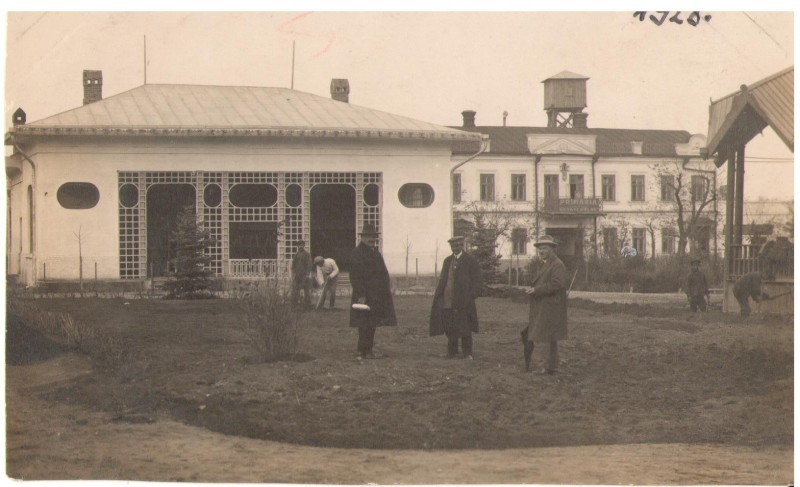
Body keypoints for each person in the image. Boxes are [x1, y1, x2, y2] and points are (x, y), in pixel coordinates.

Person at [521, 235, 568, 375]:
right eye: (540, 249)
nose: (541, 251)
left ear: (552, 249)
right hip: (544, 305)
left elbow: (557, 284)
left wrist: (536, 290)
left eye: (545, 248)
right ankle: (552, 366)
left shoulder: (557, 264)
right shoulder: (545, 263)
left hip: (550, 306)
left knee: (542, 336)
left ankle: (541, 367)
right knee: (549, 337)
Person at [349, 223, 397, 359]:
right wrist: (361, 294)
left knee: (372, 323)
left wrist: (388, 286)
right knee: (363, 323)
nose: (372, 239)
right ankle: (361, 350)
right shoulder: (357, 253)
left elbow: (383, 272)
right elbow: (355, 276)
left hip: (376, 296)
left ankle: (368, 350)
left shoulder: (376, 253)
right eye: (369, 237)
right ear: (362, 237)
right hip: (364, 296)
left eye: (373, 237)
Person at [429, 235, 481, 359]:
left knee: (465, 327)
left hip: (464, 301)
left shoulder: (470, 261)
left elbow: (477, 281)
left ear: (462, 245)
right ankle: (452, 352)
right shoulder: (447, 261)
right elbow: (443, 280)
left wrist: (471, 296)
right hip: (448, 300)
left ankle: (467, 353)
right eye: (453, 246)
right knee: (450, 326)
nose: (455, 248)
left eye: (457, 245)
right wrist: (440, 296)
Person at [290, 240, 312, 307]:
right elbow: (293, 265)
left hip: (304, 275)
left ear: (304, 245)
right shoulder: (296, 255)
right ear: (297, 246)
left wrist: (307, 274)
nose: (300, 246)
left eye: (302, 245)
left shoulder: (307, 254)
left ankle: (307, 303)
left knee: (306, 289)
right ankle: (294, 303)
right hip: (297, 275)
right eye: (299, 245)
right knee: (295, 288)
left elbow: (309, 265)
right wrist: (293, 274)